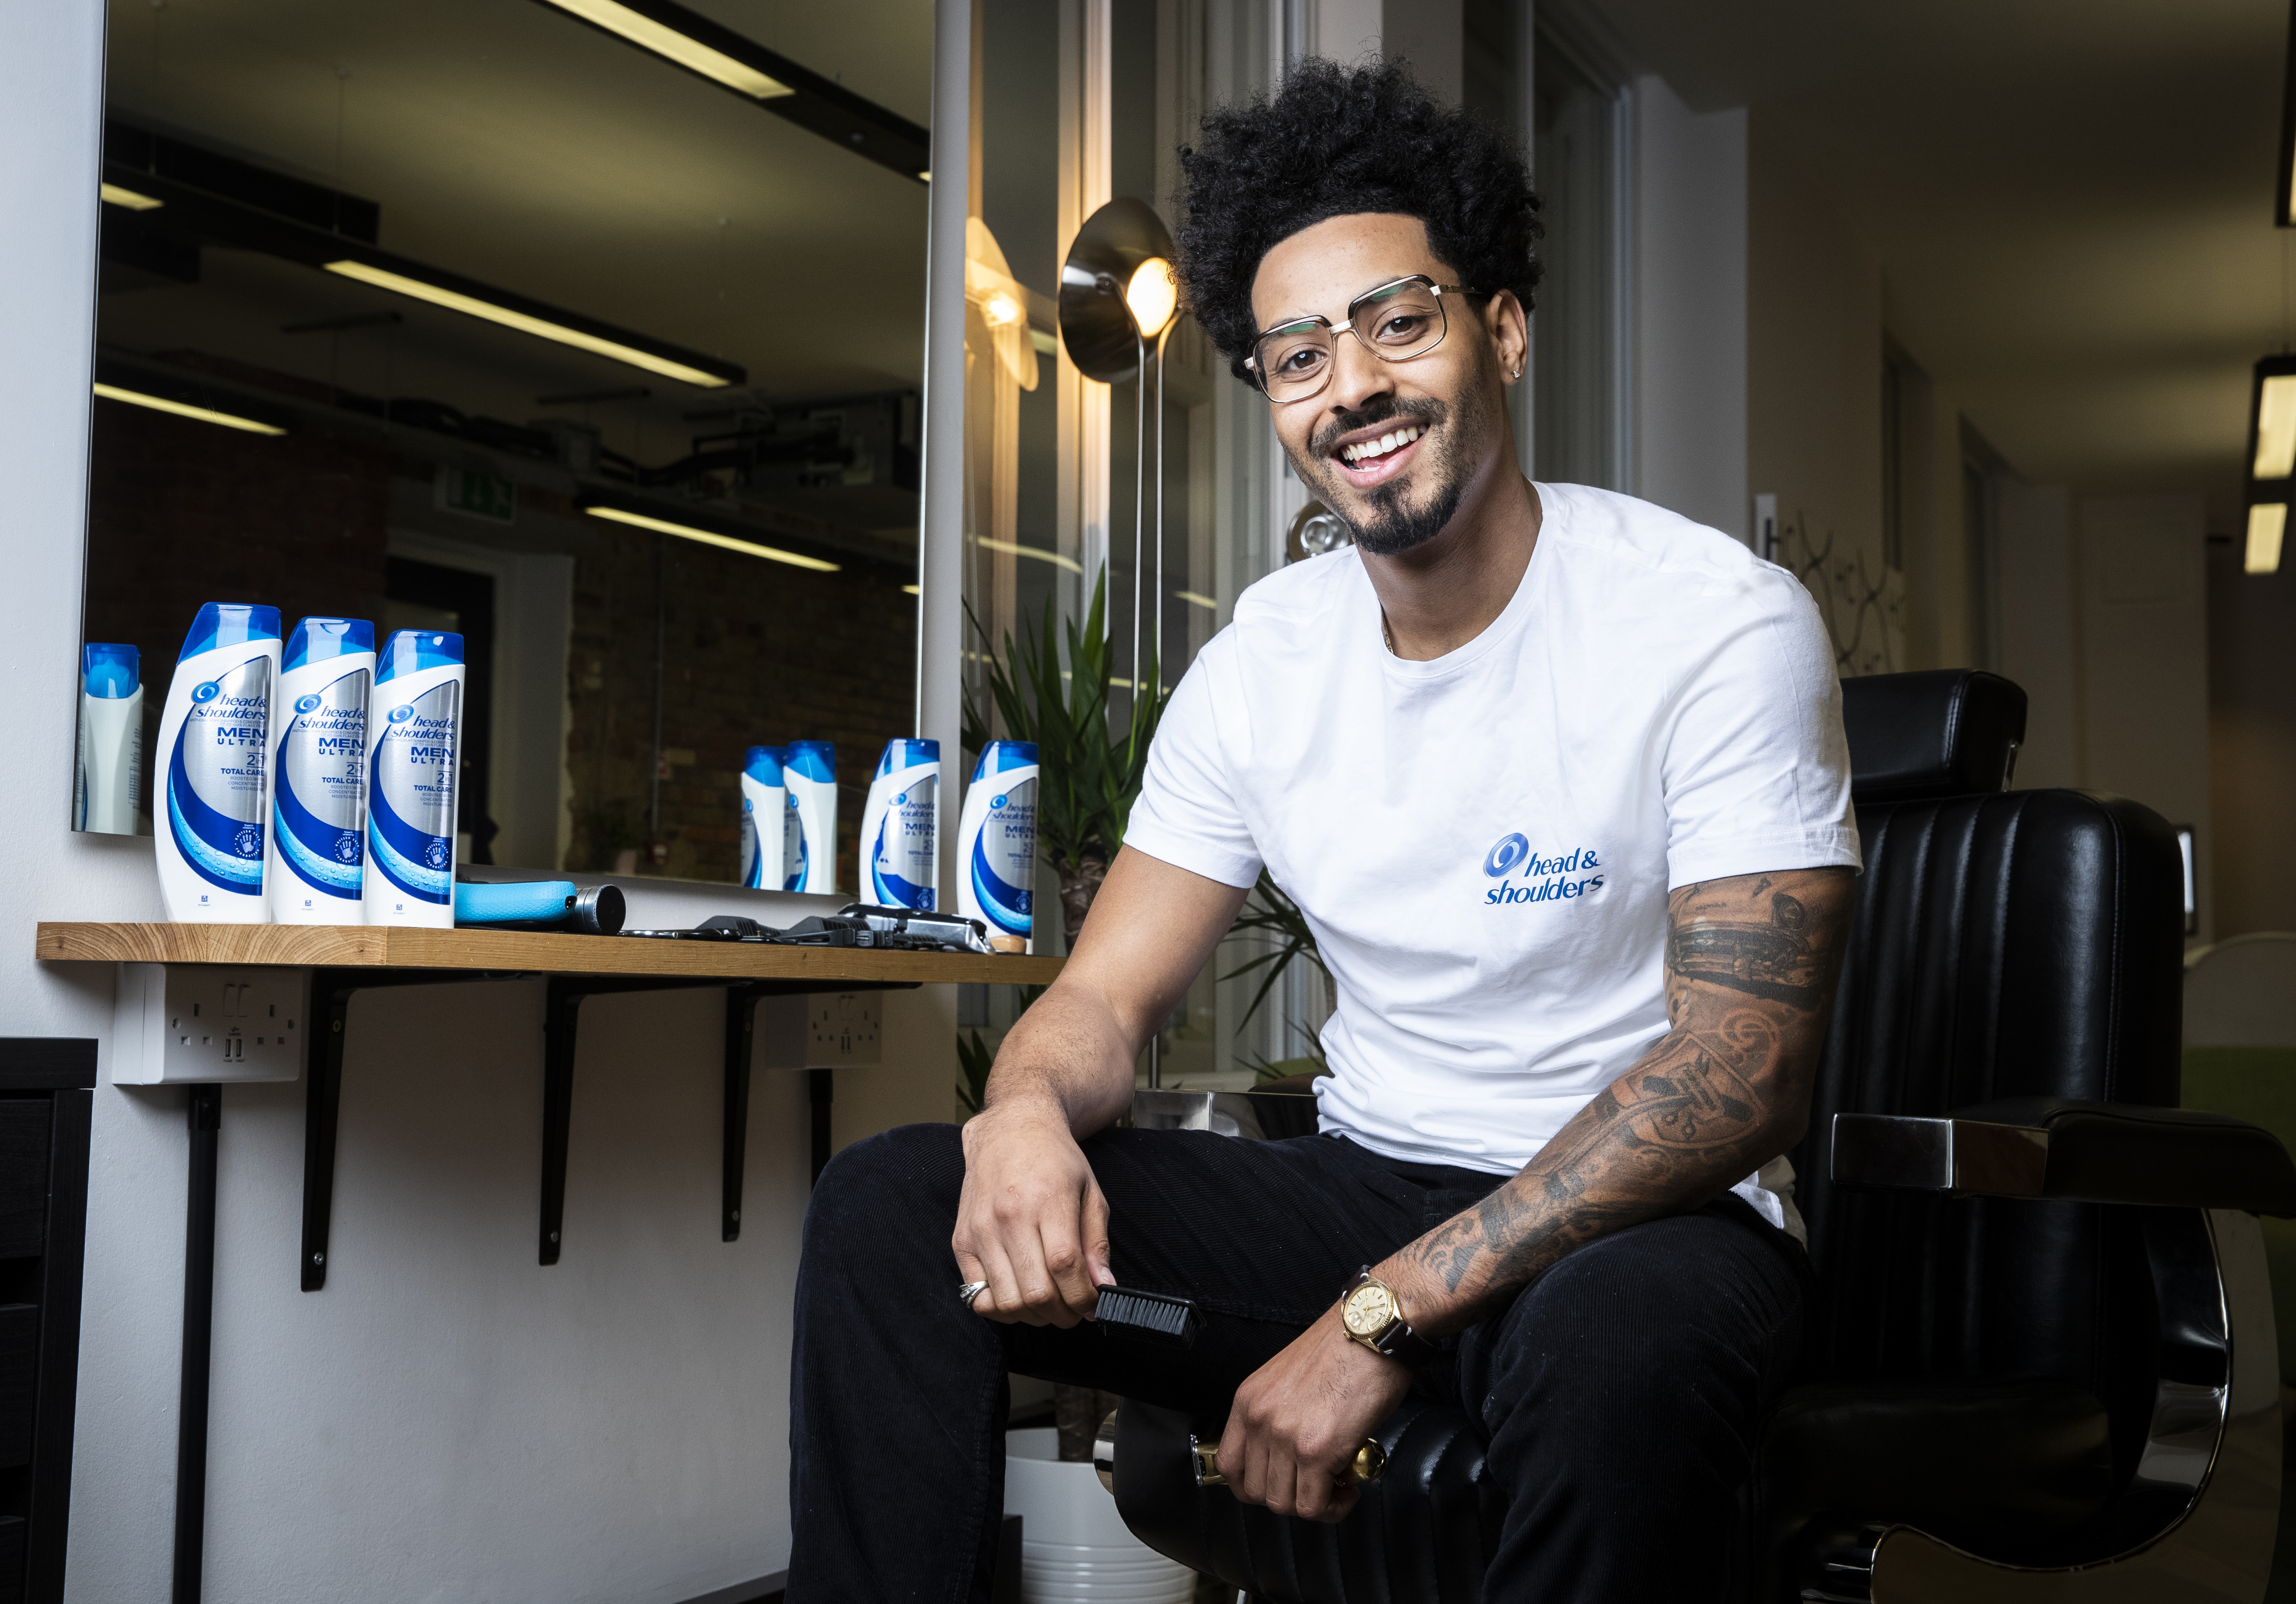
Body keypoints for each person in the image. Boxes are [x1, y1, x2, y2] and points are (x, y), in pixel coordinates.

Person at [789, 57, 1859, 1603]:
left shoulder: (1713, 622)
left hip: (1652, 1228)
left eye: (1397, 323)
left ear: (1502, 328)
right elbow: (1097, 1000)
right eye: (1295, 356)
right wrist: (1018, 1118)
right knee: (895, 1205)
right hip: (1369, 1185)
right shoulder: (1263, 665)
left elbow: (1741, 1075)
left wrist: (1381, 1318)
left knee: (1612, 1350)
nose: (1347, 383)